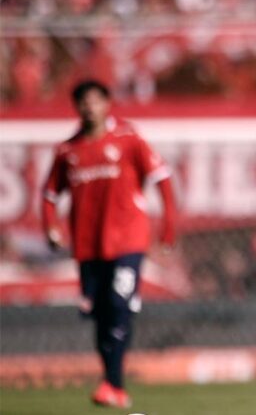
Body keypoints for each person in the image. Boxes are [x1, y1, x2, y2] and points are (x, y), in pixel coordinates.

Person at [41, 80, 176, 408]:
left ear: (107, 103)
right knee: (101, 316)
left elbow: (162, 179)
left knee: (118, 304)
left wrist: (168, 231)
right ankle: (114, 385)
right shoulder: (68, 150)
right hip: (89, 246)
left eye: (96, 100)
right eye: (83, 101)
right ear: (77, 107)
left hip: (129, 241)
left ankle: (111, 384)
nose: (90, 107)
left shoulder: (129, 139)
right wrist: (51, 227)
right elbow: (49, 195)